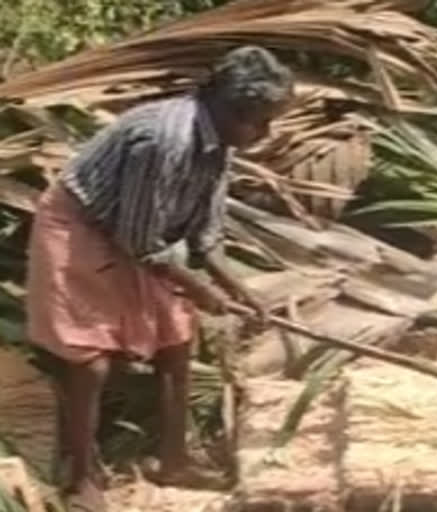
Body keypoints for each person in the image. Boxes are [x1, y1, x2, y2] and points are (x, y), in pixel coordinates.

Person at [25, 45, 294, 511]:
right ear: (232, 109)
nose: (265, 133)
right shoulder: (162, 139)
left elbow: (205, 235)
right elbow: (138, 241)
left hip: (147, 236)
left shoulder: (220, 143)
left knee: (176, 343)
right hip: (83, 225)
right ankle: (82, 478)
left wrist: (242, 292)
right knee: (90, 361)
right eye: (261, 122)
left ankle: (174, 459)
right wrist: (203, 290)